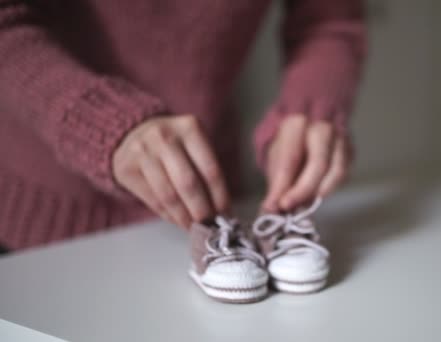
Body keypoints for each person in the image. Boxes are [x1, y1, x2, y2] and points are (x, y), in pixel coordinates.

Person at [0, 0, 366, 251]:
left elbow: (329, 17)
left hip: (207, 198)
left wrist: (312, 107)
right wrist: (100, 121)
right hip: (35, 209)